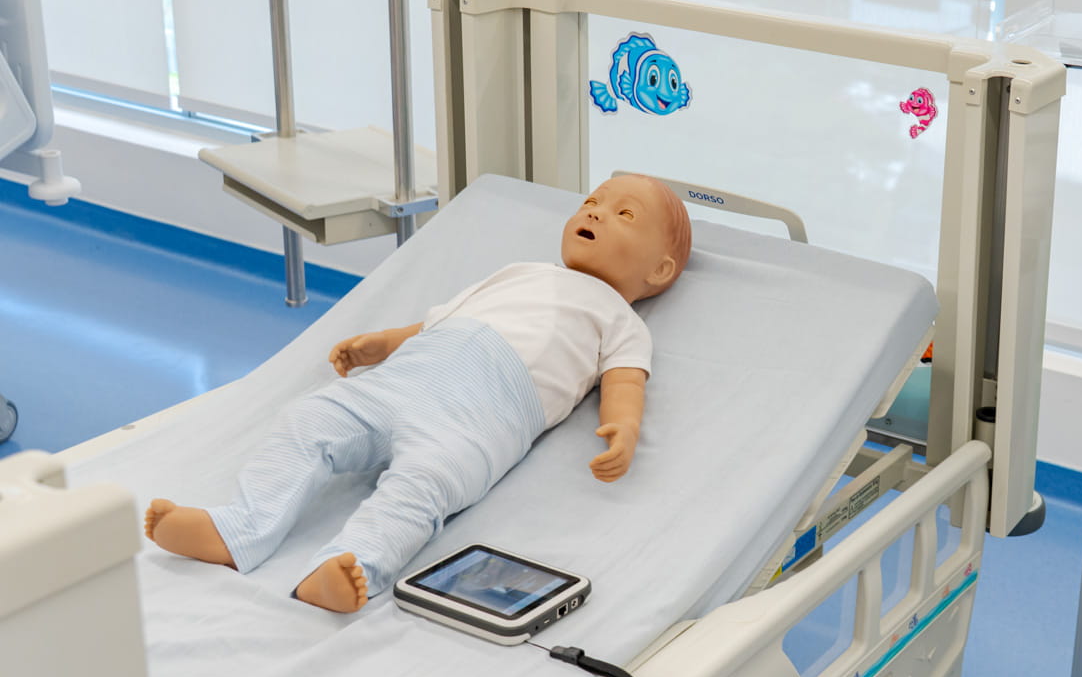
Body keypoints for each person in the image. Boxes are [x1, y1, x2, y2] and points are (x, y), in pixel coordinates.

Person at [144, 174, 692, 613]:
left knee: (423, 486)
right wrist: (381, 344)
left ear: (660, 269)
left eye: (624, 215)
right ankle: (240, 527)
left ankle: (350, 564)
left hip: (482, 418)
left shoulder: (620, 320)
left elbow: (625, 380)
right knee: (309, 419)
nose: (594, 212)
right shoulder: (519, 272)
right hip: (404, 378)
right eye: (591, 202)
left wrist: (624, 426)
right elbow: (440, 321)